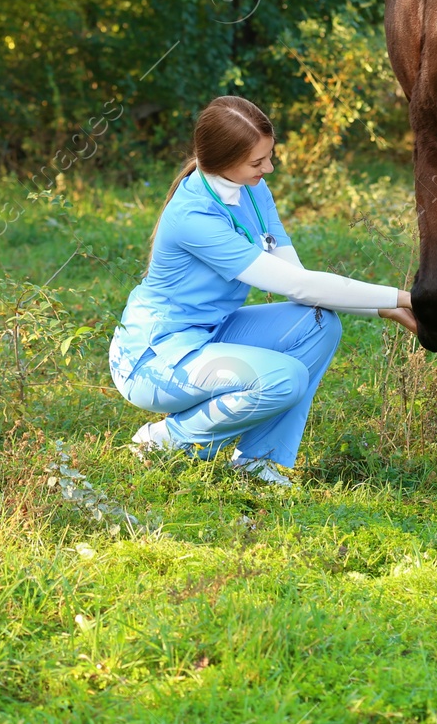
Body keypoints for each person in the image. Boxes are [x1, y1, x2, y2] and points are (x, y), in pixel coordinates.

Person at [109, 96, 417, 486]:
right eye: (258, 162)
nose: (268, 168)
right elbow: (299, 285)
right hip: (153, 360)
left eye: (269, 157)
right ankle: (168, 441)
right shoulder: (194, 216)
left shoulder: (253, 191)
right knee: (284, 377)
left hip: (208, 334)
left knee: (319, 324)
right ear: (221, 160)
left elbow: (298, 281)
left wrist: (384, 309)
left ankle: (260, 461)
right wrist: (404, 297)